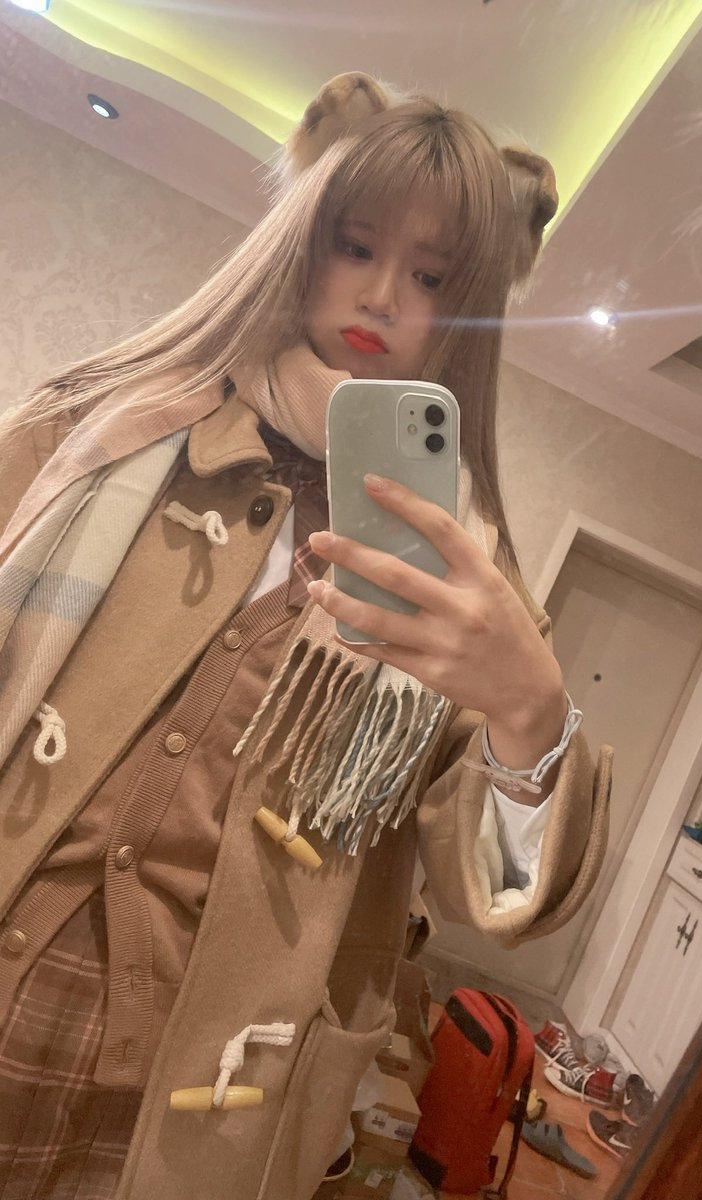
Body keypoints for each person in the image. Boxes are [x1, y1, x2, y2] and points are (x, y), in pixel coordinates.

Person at [0, 71, 611, 1200]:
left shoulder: (461, 575)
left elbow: (495, 893)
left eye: (432, 276)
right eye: (356, 245)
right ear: (303, 238)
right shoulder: (101, 427)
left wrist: (531, 715)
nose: (382, 293)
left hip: (190, 1095)